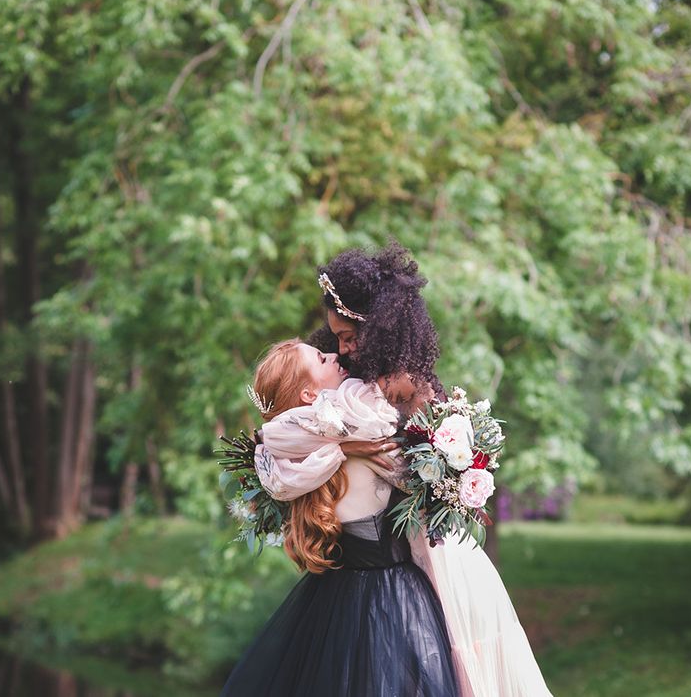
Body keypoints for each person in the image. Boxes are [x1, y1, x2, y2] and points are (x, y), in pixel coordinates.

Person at [259, 243, 554, 697]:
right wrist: (345, 442)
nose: (339, 348)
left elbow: (404, 463)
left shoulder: (400, 389)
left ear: (375, 327)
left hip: (426, 569)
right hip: (378, 591)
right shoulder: (338, 409)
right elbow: (281, 432)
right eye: (332, 339)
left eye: (346, 334)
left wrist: (351, 442)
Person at [221, 339, 461, 697]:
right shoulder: (368, 432)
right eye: (321, 358)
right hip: (392, 594)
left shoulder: (287, 461)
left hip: (333, 598)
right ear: (307, 394)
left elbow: (275, 437)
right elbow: (419, 477)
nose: (334, 354)